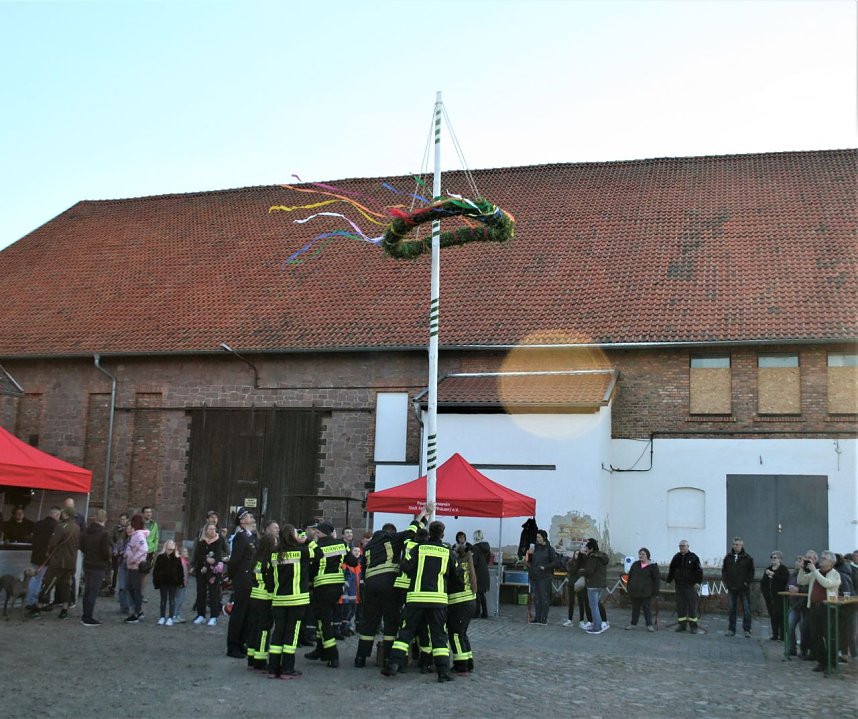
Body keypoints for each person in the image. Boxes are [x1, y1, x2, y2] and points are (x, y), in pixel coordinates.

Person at [382, 520, 459, 682]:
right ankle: (443, 671)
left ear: (430, 533)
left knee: (406, 631)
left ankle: (393, 665)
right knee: (438, 635)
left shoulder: (418, 548)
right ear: (443, 534)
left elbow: (406, 567)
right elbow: (455, 574)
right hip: (438, 599)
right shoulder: (447, 551)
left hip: (416, 597)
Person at [353, 508, 428, 669]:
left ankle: (360, 657)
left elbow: (364, 568)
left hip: (371, 585)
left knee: (369, 621)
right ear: (391, 532)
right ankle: (387, 658)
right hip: (388, 583)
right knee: (390, 621)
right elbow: (411, 531)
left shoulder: (369, 545)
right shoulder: (392, 538)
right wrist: (422, 516)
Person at [304, 521, 358, 668]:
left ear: (322, 533)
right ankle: (320, 650)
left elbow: (312, 567)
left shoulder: (317, 546)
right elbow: (353, 562)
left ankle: (333, 655)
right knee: (325, 617)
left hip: (322, 587)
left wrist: (308, 583)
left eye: (317, 531)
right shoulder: (341, 545)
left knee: (323, 622)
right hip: (337, 588)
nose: (315, 533)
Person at [267, 524, 313, 679]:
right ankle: (287, 668)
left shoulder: (274, 554)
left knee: (278, 632)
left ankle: (273, 668)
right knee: (291, 633)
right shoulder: (301, 552)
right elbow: (318, 554)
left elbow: (270, 578)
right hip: (297, 599)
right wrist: (306, 540)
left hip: (279, 599)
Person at [797, 550, 841, 673]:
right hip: (814, 607)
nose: (820, 560)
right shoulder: (816, 573)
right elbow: (801, 581)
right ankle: (822, 662)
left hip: (827, 608)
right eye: (820, 558)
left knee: (829, 636)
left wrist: (814, 571)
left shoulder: (834, 574)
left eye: (824, 558)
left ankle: (831, 664)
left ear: (831, 562)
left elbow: (827, 584)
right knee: (815, 636)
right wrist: (802, 569)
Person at [38, 506, 81, 619]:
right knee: (66, 586)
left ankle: (38, 607)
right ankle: (64, 610)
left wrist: (49, 550)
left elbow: (53, 542)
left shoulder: (60, 527)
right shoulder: (77, 527)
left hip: (59, 560)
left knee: (48, 582)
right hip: (71, 561)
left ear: (66, 515)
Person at [226, 506, 257, 658]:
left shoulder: (250, 536)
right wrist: (231, 577)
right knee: (238, 613)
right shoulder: (241, 537)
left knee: (247, 614)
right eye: (248, 516)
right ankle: (233, 646)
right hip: (242, 579)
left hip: (249, 579)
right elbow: (235, 560)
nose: (251, 518)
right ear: (242, 520)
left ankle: (241, 642)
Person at [245, 532, 277, 670]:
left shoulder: (255, 560)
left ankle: (251, 656)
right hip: (266, 597)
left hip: (254, 596)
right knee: (264, 629)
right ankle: (260, 658)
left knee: (254, 627)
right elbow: (272, 581)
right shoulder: (269, 562)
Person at [448, 535, 477, 673]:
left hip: (459, 603)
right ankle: (469, 661)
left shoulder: (456, 565)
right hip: (470, 601)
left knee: (455, 635)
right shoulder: (468, 564)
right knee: (463, 633)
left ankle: (461, 665)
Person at [25, 506, 60, 617]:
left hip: (35, 555)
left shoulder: (38, 524)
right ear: (56, 515)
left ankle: (30, 601)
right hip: (47, 558)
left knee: (33, 580)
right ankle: (40, 602)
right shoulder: (56, 527)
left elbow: (32, 538)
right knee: (43, 581)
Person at [79, 508, 112, 626]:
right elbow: (105, 552)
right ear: (105, 519)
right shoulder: (104, 534)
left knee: (88, 590)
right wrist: (107, 558)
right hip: (98, 565)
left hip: (87, 563)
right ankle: (88, 617)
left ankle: (85, 614)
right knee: (93, 592)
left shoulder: (86, 532)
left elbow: (81, 546)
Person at [666, 539, 703, 633]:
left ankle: (693, 626)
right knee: (680, 606)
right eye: (680, 546)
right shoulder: (676, 557)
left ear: (688, 546)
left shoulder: (693, 557)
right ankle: (682, 625)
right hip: (679, 586)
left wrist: (698, 582)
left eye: (683, 546)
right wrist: (668, 581)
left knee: (691, 606)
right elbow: (672, 570)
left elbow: (699, 571)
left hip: (690, 586)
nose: (681, 547)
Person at [193, 523, 226, 625]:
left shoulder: (218, 541)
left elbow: (217, 556)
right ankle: (201, 615)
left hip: (213, 571)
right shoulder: (201, 542)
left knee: (214, 594)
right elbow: (198, 554)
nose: (212, 531)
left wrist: (207, 564)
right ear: (206, 531)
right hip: (201, 571)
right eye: (210, 529)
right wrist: (206, 559)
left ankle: (214, 616)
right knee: (201, 593)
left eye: (214, 529)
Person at [722, 536, 755, 637]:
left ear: (741, 545)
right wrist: (727, 582)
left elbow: (751, 572)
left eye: (737, 544)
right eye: (734, 544)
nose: (735, 546)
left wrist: (746, 583)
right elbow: (724, 571)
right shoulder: (728, 557)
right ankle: (731, 629)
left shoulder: (748, 558)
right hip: (732, 587)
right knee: (732, 608)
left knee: (747, 609)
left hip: (743, 588)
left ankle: (747, 630)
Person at [525, 529, 559, 625]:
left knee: (544, 597)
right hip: (534, 575)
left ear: (544, 537)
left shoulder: (549, 549)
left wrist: (545, 567)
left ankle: (544, 618)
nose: (537, 539)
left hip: (544, 577)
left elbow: (555, 562)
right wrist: (529, 556)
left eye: (539, 537)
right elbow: (531, 561)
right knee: (536, 598)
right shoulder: (535, 548)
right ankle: (537, 617)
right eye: (536, 537)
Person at [625, 547, 660, 631]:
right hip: (635, 591)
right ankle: (633, 623)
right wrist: (629, 587)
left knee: (646, 608)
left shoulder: (652, 566)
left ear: (647, 555)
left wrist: (655, 592)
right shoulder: (635, 564)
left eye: (643, 554)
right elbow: (630, 577)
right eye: (640, 554)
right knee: (635, 608)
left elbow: (656, 580)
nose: (641, 556)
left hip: (646, 592)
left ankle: (649, 625)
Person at [123, 513, 149, 623]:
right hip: (131, 565)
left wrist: (134, 558)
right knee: (130, 587)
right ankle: (138, 610)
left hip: (135, 566)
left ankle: (137, 612)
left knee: (135, 589)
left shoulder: (139, 535)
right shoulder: (136, 535)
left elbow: (144, 548)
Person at [580, 538, 609, 634]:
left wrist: (580, 572)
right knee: (596, 605)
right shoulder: (602, 556)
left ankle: (597, 627)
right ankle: (599, 624)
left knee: (593, 606)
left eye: (587, 548)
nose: (586, 549)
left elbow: (589, 571)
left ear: (591, 548)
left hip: (593, 584)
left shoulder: (593, 557)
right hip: (601, 584)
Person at [152, 539, 183, 626]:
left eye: (173, 543)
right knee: (163, 600)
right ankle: (162, 617)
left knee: (172, 600)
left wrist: (180, 582)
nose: (171, 545)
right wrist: (156, 581)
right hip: (163, 582)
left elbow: (180, 571)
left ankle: (170, 617)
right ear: (166, 545)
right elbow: (156, 570)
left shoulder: (177, 558)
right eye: (170, 543)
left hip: (173, 582)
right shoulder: (161, 557)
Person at [760, 550, 789, 641]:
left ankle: (783, 636)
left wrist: (774, 575)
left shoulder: (783, 569)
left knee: (781, 616)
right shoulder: (768, 569)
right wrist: (765, 594)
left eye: (775, 558)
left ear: (780, 559)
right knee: (773, 616)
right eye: (772, 558)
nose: (773, 559)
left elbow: (784, 580)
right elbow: (763, 582)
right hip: (770, 597)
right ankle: (775, 634)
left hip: (780, 597)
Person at [471, 529, 491, 619]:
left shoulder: (475, 548)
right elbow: (488, 560)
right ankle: (485, 613)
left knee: (476, 594)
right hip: (484, 572)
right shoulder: (487, 548)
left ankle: (476, 613)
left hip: (477, 573)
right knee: (481, 594)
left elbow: (473, 562)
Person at [109, 512, 129, 593]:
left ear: (127, 520)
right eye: (121, 519)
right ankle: (113, 587)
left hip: (125, 553)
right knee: (115, 570)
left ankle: (123, 589)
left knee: (124, 571)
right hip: (116, 552)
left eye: (123, 519)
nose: (122, 521)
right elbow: (110, 537)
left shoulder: (129, 528)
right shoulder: (116, 528)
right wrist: (114, 546)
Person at [174, 545, 190, 623]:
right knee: (178, 600)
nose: (186, 553)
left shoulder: (186, 561)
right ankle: (174, 615)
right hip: (180, 583)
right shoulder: (180, 561)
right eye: (184, 551)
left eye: (187, 551)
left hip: (184, 583)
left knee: (181, 600)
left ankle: (178, 615)